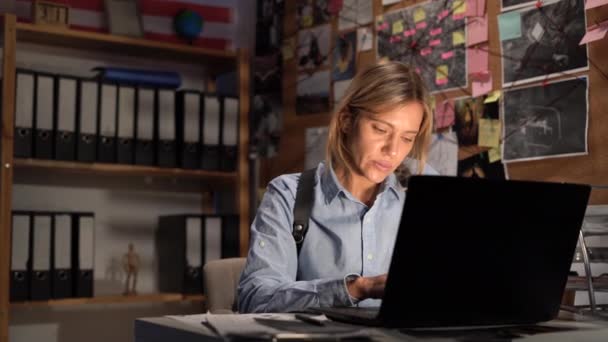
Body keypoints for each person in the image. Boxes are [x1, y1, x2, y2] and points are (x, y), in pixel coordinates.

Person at [238, 62, 436, 313]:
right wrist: (356, 288)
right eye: (380, 129)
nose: (393, 150)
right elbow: (255, 300)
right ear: (345, 121)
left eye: (407, 138)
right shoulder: (288, 196)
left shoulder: (424, 189)